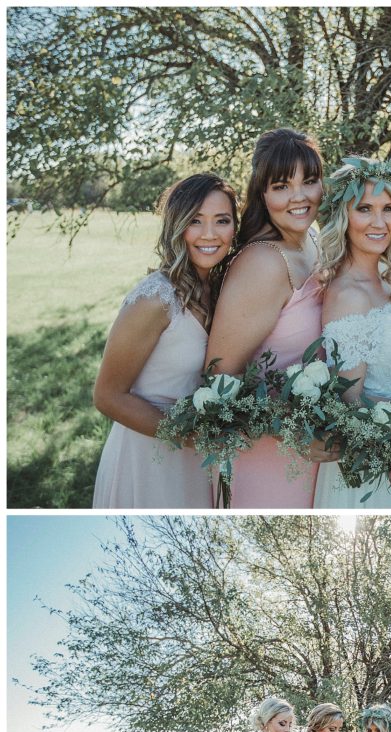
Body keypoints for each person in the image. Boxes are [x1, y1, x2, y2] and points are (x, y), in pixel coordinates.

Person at [205, 127, 334, 508]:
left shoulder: (313, 241)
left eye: (309, 182)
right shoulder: (263, 262)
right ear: (262, 193)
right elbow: (219, 381)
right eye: (281, 186)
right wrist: (292, 431)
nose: (299, 197)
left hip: (310, 453)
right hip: (266, 456)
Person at [93, 173, 237, 508]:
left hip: (197, 458)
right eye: (195, 221)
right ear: (177, 225)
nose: (210, 234)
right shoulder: (155, 298)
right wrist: (191, 438)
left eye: (222, 221)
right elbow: (107, 396)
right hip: (148, 455)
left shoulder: (219, 291)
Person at [312, 157, 391, 508]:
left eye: (388, 208)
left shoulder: (389, 282)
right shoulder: (349, 296)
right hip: (370, 470)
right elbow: (353, 406)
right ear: (344, 219)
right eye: (364, 209)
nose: (380, 222)